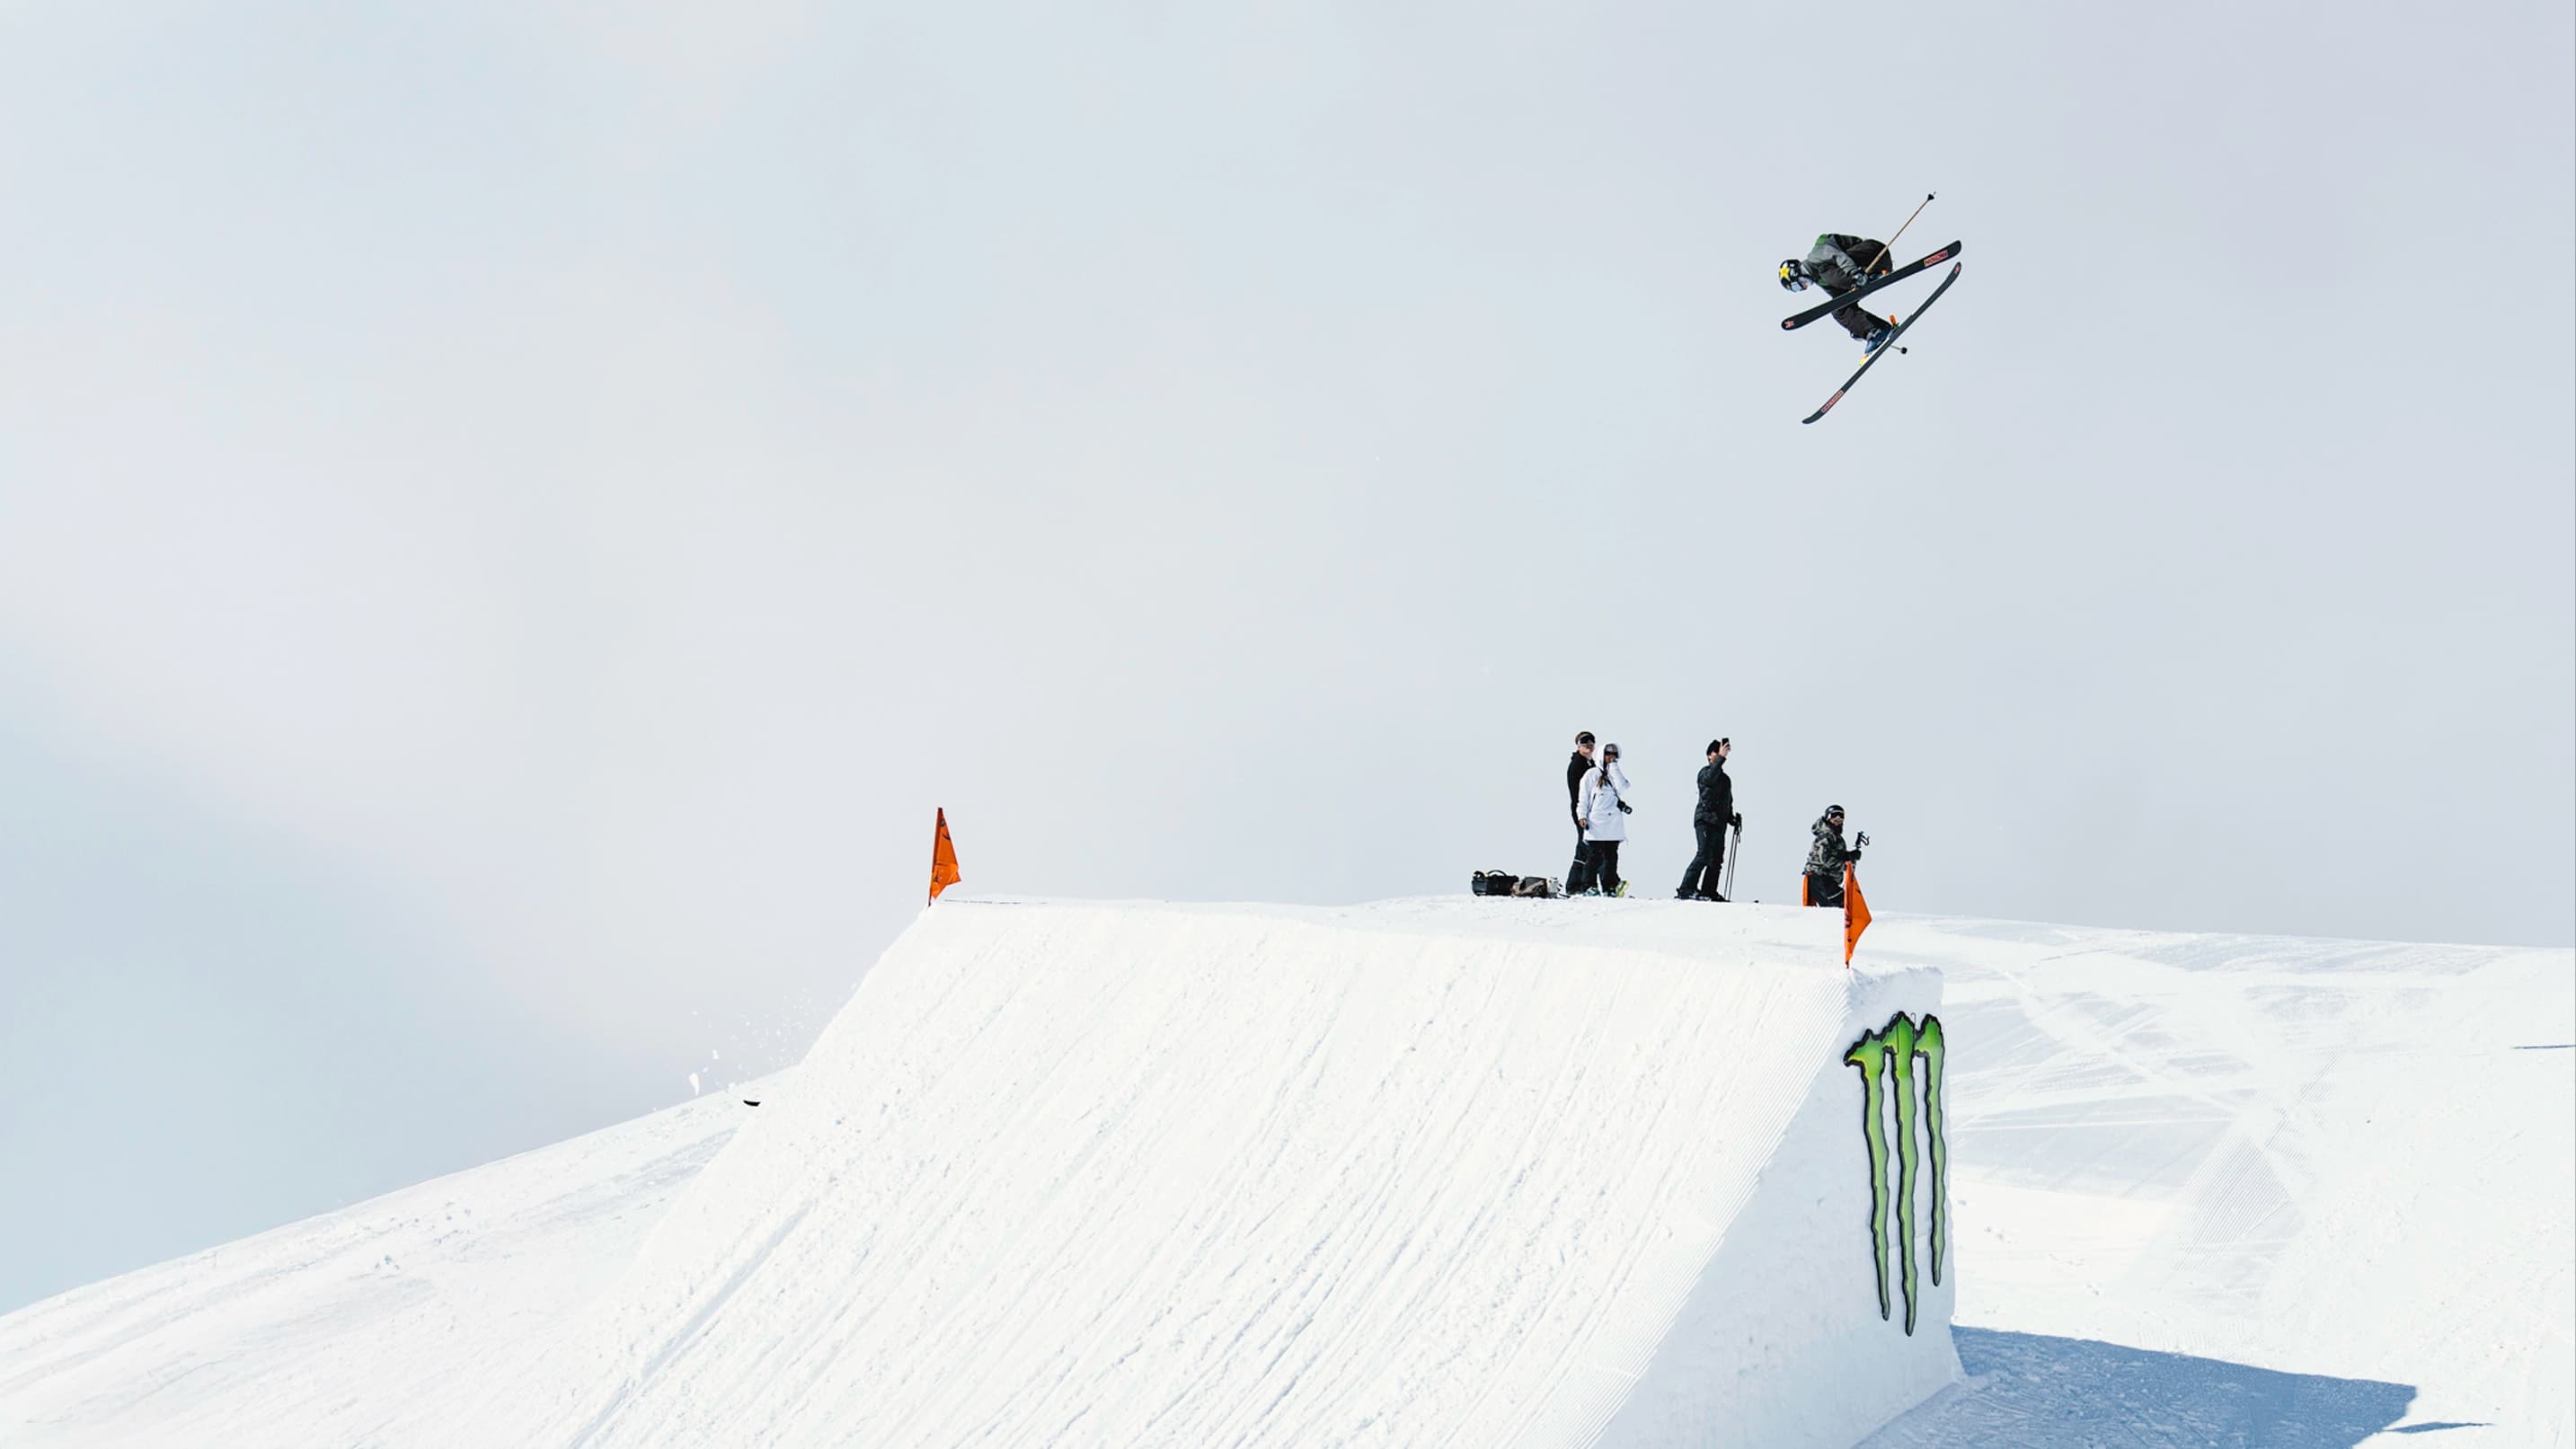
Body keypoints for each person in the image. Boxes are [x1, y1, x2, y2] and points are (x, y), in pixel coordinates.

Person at [1779, 234, 1899, 351]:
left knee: (1824, 272)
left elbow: (1839, 256)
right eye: (1798, 289)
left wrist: (1855, 274)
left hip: (1873, 253)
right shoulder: (1821, 280)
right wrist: (1854, 326)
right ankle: (1875, 331)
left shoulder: (1817, 254)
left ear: (1797, 272)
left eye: (1798, 285)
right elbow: (1842, 298)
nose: (1804, 287)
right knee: (1838, 309)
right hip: (1871, 270)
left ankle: (1863, 277)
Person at [1677, 738, 1740, 900]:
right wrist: (1721, 758)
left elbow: (1728, 801)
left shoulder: (1725, 779)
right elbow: (1710, 779)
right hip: (1705, 819)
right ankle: (1686, 888)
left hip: (1719, 822)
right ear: (1709, 756)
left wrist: (1732, 818)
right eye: (1715, 753)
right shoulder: (1704, 772)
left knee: (1716, 859)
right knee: (1703, 854)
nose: (1719, 755)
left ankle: (1708, 891)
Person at [1579, 742, 1632, 896]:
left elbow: (1623, 787)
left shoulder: (1615, 775)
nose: (1611, 757)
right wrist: (1582, 816)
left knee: (1611, 857)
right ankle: (1588, 886)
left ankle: (1609, 887)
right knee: (1594, 856)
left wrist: (1614, 767)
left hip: (1613, 822)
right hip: (1596, 821)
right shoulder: (1592, 774)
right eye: (1608, 754)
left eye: (1614, 755)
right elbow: (1583, 798)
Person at [1804, 804, 1861, 908]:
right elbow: (1826, 860)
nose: (1838, 819)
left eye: (1841, 816)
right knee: (1842, 902)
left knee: (1837, 905)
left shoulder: (1836, 838)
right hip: (1819, 877)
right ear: (1828, 818)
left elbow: (1837, 855)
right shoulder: (1825, 836)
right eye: (1834, 815)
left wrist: (1851, 856)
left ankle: (1834, 922)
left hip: (1828, 879)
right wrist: (1845, 866)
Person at [1564, 731, 1598, 893]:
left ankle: (1583, 884)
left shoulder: (1590, 763)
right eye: (1585, 742)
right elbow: (1578, 793)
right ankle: (1576, 885)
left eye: (1591, 742)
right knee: (1586, 846)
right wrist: (1583, 814)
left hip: (1591, 810)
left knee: (1589, 846)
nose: (1589, 745)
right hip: (1582, 811)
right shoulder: (1578, 764)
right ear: (1578, 746)